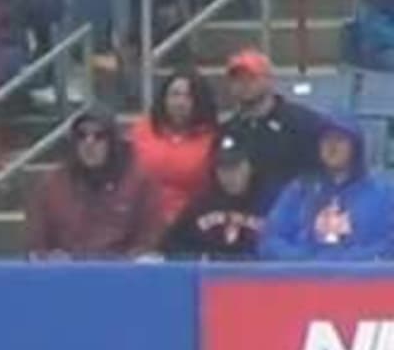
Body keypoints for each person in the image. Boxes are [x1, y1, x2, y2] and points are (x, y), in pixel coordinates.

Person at [23, 110, 151, 260]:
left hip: (120, 275)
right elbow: (35, 243)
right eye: (81, 136)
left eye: (99, 136)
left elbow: (148, 241)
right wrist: (49, 258)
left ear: (113, 142)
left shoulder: (139, 183)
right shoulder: (51, 184)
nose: (89, 143)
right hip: (65, 275)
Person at [263, 121, 394, 261]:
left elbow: (389, 245)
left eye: (340, 140)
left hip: (362, 278)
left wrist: (345, 262)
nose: (331, 147)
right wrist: (307, 261)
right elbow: (271, 239)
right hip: (302, 277)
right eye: (326, 140)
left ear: (355, 147)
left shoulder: (383, 193)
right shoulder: (299, 190)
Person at [216, 47, 322, 206]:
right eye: (237, 79)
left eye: (251, 77)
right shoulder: (227, 130)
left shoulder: (301, 122)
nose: (243, 84)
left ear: (269, 80)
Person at [125, 72, 217, 240]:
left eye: (188, 96)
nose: (180, 102)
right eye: (174, 95)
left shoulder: (214, 138)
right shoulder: (141, 131)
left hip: (191, 225)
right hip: (141, 221)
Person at [161, 131, 269, 261]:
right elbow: (172, 246)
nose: (230, 176)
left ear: (250, 167)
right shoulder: (200, 205)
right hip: (207, 276)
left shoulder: (271, 202)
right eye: (223, 168)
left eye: (236, 167)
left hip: (254, 277)